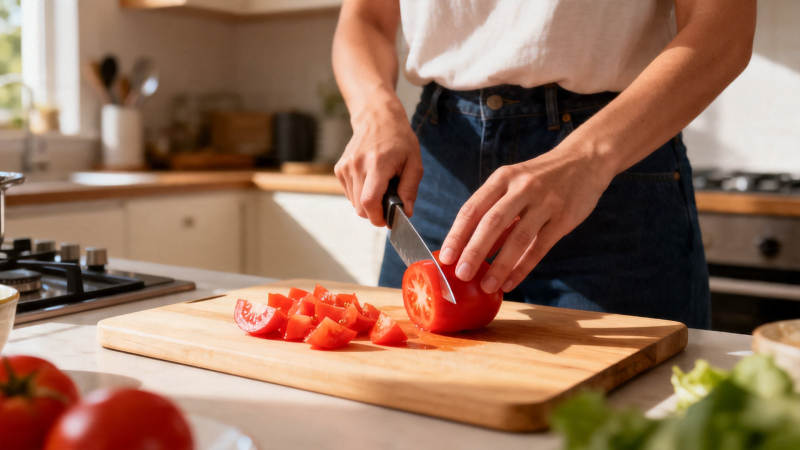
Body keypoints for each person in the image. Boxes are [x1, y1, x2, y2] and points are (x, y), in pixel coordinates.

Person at [331, 0, 756, 329]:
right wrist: (374, 111)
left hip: (614, 165)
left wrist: (588, 157)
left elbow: (724, 30)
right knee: (411, 411)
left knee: (620, 423)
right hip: (439, 165)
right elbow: (365, 18)